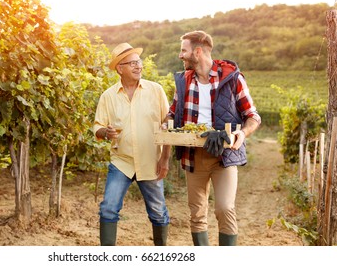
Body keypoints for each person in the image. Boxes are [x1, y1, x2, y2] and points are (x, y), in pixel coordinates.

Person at [163, 30, 261, 246]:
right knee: (197, 214)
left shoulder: (232, 79)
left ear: (197, 52)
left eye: (183, 50)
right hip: (193, 156)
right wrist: (165, 123)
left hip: (223, 156)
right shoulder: (184, 81)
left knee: (225, 208)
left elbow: (253, 116)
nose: (180, 55)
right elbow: (173, 112)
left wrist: (241, 134)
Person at [93, 43, 171, 246]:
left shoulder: (156, 90)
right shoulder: (108, 96)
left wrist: (164, 159)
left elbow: (169, 124)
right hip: (122, 161)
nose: (139, 66)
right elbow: (98, 128)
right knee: (108, 208)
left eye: (139, 62)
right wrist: (105, 132)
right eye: (133, 63)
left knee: (158, 213)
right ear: (120, 68)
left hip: (150, 161)